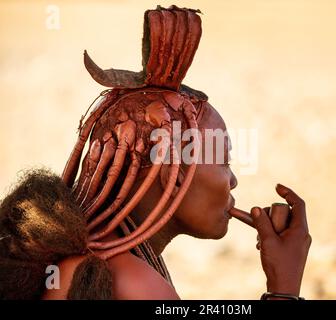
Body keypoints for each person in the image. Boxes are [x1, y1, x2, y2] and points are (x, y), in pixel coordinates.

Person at [0, 5, 311, 300]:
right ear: (172, 176)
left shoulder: (70, 262)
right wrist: (284, 284)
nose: (232, 181)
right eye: (223, 160)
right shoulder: (135, 285)